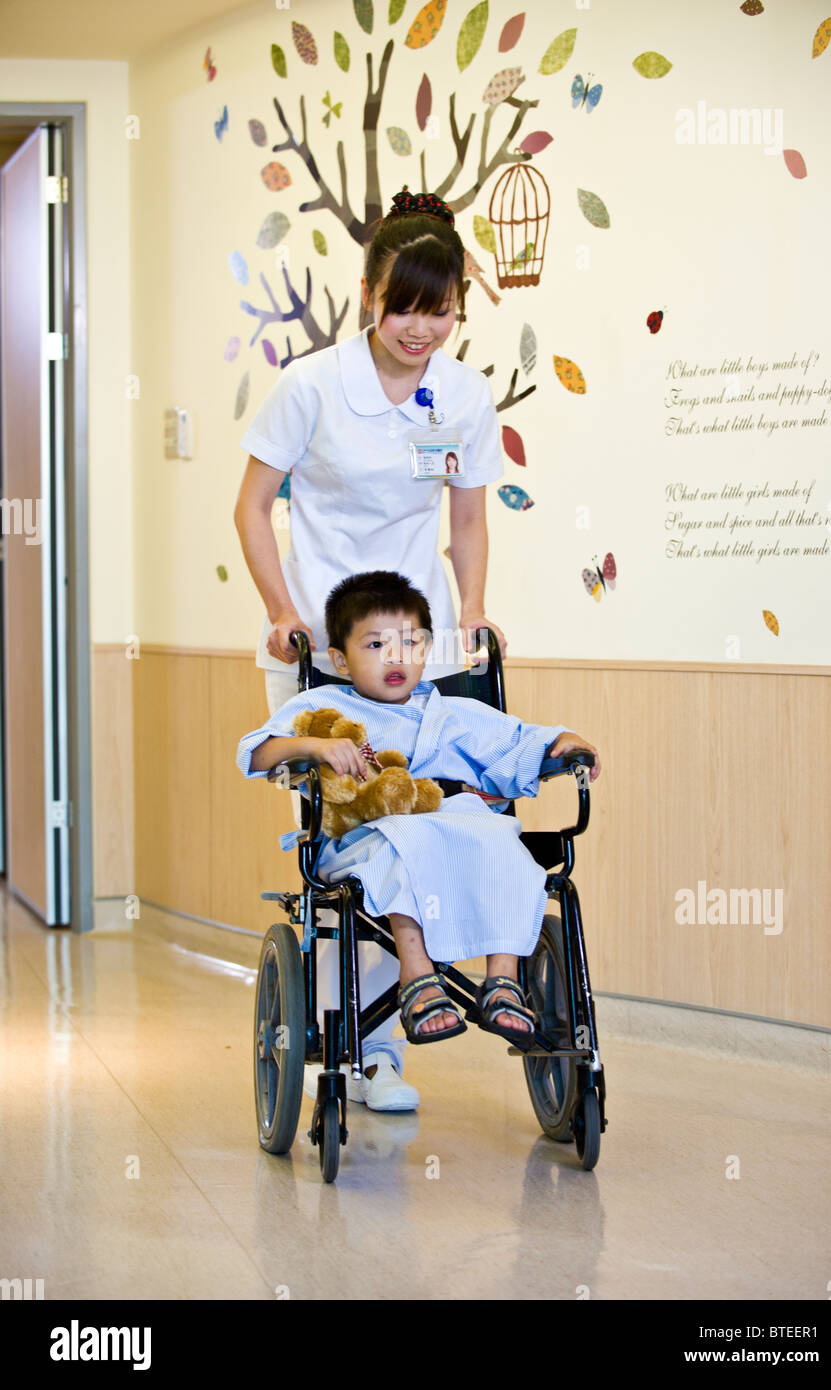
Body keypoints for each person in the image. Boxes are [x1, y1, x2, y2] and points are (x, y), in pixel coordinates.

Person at [234, 188, 507, 1108]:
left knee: (428, 815)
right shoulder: (309, 386)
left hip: (414, 642)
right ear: (367, 294)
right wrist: (280, 611)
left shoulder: (463, 395)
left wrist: (471, 610)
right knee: (352, 832)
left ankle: (384, 1042)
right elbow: (252, 506)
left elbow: (465, 514)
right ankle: (362, 1045)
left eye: (440, 309)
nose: (421, 328)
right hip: (317, 636)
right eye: (404, 306)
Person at [237, 571, 601, 1044]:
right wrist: (314, 746)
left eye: (410, 643)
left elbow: (518, 742)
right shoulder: (324, 702)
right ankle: (417, 975)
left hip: (458, 833)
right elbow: (256, 752)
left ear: (427, 651)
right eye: (374, 645)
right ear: (340, 661)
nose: (395, 656)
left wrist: (560, 741)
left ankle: (504, 980)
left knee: (504, 839)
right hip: (366, 842)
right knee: (404, 841)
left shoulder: (454, 713)